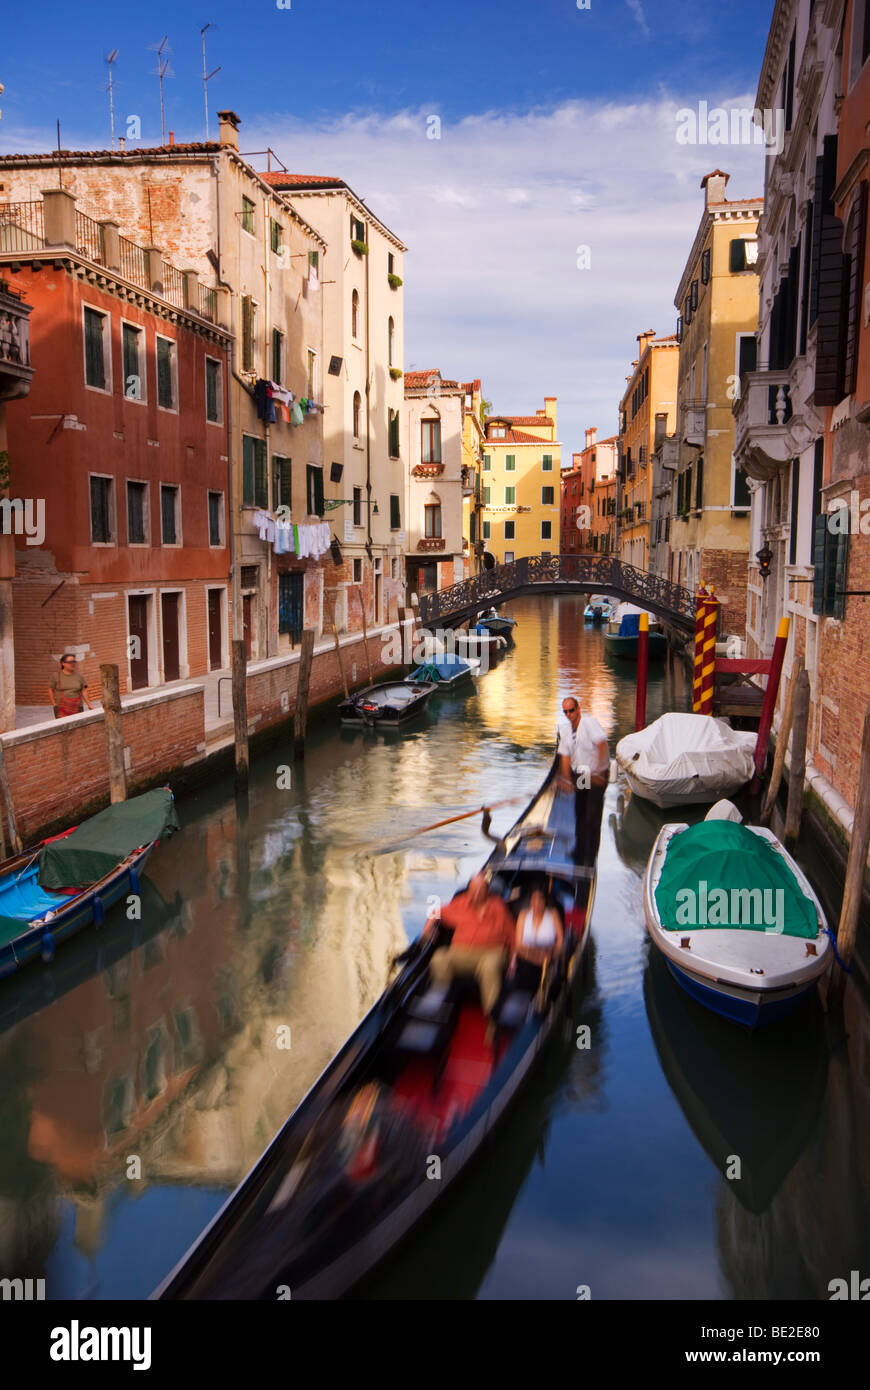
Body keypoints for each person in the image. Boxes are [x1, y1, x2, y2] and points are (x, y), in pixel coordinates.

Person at [422, 871, 515, 1034]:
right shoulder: (460, 903)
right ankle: (443, 1009)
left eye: (480, 890)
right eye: (473, 890)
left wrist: (513, 962)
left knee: (489, 966)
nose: (477, 894)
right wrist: (428, 928)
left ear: (487, 890)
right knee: (440, 958)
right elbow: (436, 910)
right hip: (462, 953)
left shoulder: (498, 906)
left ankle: (493, 1022)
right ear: (469, 891)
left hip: (492, 953)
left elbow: (513, 937)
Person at [557, 694, 609, 863]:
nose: (569, 714)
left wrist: (600, 772)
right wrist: (566, 780)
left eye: (571, 710)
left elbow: (602, 745)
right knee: (580, 812)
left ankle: (590, 855)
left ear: (578, 709)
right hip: (583, 774)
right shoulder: (565, 731)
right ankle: (579, 851)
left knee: (592, 816)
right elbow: (565, 757)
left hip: (597, 773)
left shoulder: (589, 723)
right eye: (565, 712)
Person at [510, 884, 564, 988]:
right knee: (526, 966)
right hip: (527, 957)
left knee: (545, 964)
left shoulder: (553, 914)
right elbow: (518, 944)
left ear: (545, 901)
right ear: (530, 901)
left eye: (540, 899)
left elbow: (560, 941)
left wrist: (554, 955)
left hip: (548, 957)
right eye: (534, 899)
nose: (537, 903)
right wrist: (536, 957)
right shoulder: (523, 914)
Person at [49, 653, 91, 719]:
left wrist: (89, 704)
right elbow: (50, 689)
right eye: (70, 662)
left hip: (77, 708)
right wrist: (54, 704)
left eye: (74, 662)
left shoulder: (79, 676)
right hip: (61, 709)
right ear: (63, 663)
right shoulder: (56, 676)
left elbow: (84, 691)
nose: (73, 664)